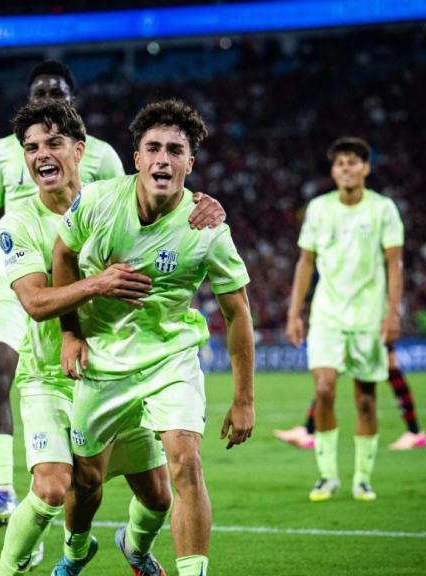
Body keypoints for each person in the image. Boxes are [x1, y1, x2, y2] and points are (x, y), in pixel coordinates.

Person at [0, 101, 225, 576]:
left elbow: (163, 195)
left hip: (115, 366)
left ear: (80, 151)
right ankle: (21, 568)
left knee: (159, 496)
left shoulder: (107, 198)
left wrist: (207, 204)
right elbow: (35, 302)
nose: (42, 155)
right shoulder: (18, 222)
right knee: (54, 487)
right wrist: (93, 292)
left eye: (53, 143)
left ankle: (133, 550)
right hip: (49, 374)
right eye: (31, 148)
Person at [53, 99, 255, 576]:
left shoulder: (208, 228)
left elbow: (238, 313)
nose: (163, 159)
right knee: (86, 480)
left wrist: (244, 399)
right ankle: (75, 552)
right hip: (103, 360)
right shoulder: (99, 200)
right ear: (137, 158)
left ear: (190, 163)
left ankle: (177, 567)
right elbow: (63, 254)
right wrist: (70, 333)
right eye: (154, 148)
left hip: (171, 359)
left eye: (175, 150)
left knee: (185, 462)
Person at [0, 60, 126, 529]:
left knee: (72, 390)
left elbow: (129, 209)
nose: (48, 99)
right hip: (12, 274)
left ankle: (55, 488)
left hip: (74, 279)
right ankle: (3, 491)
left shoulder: (100, 154)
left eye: (57, 93)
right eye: (40, 93)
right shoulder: (2, 152)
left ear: (72, 101)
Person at [285, 137, 404, 502]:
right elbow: (305, 262)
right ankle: (327, 476)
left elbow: (394, 264)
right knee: (323, 389)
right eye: (340, 163)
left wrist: (392, 313)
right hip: (327, 315)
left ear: (366, 168)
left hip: (368, 316)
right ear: (333, 171)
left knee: (366, 400)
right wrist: (294, 312)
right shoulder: (319, 209)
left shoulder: (383, 209)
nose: (346, 168)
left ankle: (362, 479)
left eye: (353, 162)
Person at [273, 344, 426, 450]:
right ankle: (308, 429)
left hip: (369, 320)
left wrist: (390, 317)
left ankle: (414, 431)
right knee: (331, 372)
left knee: (389, 365)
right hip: (354, 319)